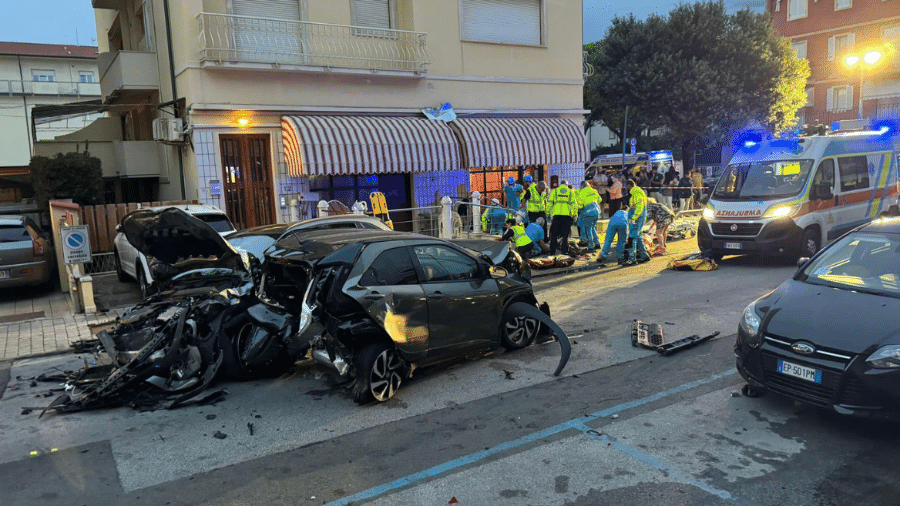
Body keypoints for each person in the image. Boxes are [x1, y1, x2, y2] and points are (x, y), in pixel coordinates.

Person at [547, 179, 577, 255]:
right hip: (567, 216)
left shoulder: (555, 191)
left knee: (553, 234)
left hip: (557, 215)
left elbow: (549, 203)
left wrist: (547, 213)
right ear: (567, 185)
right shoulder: (570, 192)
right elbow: (574, 205)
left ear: (560, 184)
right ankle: (564, 251)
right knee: (565, 235)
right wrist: (575, 215)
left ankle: (552, 251)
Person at [624, 179, 649, 266]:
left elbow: (639, 207)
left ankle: (632, 259)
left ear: (629, 186)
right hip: (639, 217)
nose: (625, 188)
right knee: (638, 236)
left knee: (632, 237)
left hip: (637, 218)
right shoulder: (638, 192)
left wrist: (634, 218)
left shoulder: (636, 194)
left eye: (626, 186)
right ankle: (644, 256)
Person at [577, 180, 601, 250]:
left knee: (589, 229)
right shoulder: (594, 190)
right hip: (597, 211)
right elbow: (600, 199)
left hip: (589, 212)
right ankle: (597, 243)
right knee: (593, 228)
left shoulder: (581, 192)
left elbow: (580, 205)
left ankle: (591, 245)